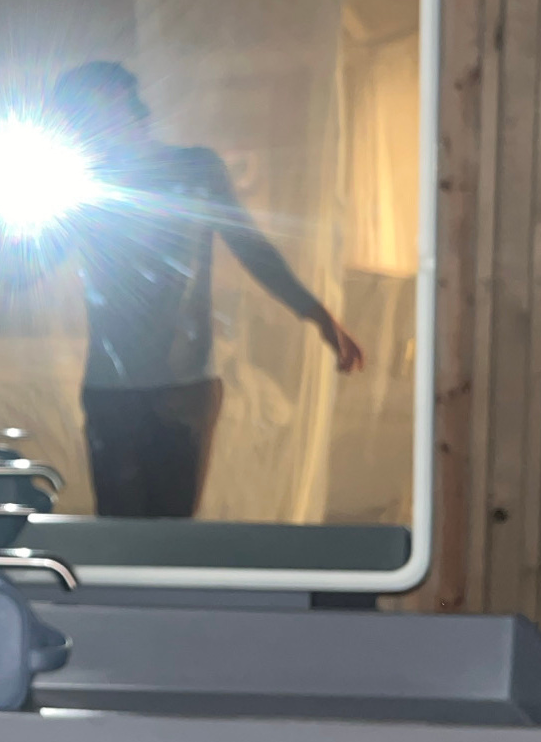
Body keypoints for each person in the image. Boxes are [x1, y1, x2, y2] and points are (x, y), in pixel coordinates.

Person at [52, 60, 363, 519]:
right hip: (115, 390)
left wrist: (319, 315)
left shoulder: (195, 169)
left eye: (88, 113)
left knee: (171, 535)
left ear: (123, 105)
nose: (83, 128)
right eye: (75, 120)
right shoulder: (82, 187)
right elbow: (25, 263)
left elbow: (250, 247)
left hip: (184, 387)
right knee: (119, 535)